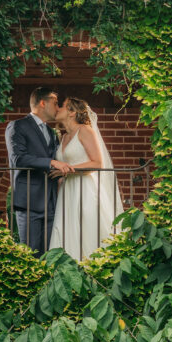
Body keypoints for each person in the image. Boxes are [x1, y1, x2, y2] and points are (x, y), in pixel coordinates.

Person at [49, 97, 123, 261]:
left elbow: (97, 162)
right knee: (67, 231)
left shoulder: (85, 130)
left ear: (72, 112)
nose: (58, 109)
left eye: (62, 106)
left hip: (86, 188)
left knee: (88, 230)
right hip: (68, 191)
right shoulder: (64, 137)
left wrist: (67, 170)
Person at [5, 87, 74, 255]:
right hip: (29, 203)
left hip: (51, 202)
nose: (58, 108)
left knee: (50, 256)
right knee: (30, 255)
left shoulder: (51, 133)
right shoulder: (17, 126)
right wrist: (51, 162)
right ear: (43, 103)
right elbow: (18, 159)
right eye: (55, 103)